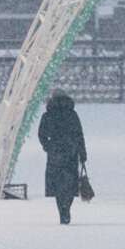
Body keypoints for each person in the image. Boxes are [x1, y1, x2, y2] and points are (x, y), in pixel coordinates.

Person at [37, 89, 86, 225]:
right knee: (70, 184)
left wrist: (47, 146)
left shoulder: (48, 115)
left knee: (58, 184)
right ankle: (67, 207)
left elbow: (41, 134)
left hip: (55, 153)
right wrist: (82, 153)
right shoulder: (72, 115)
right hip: (71, 152)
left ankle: (62, 210)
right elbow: (79, 135)